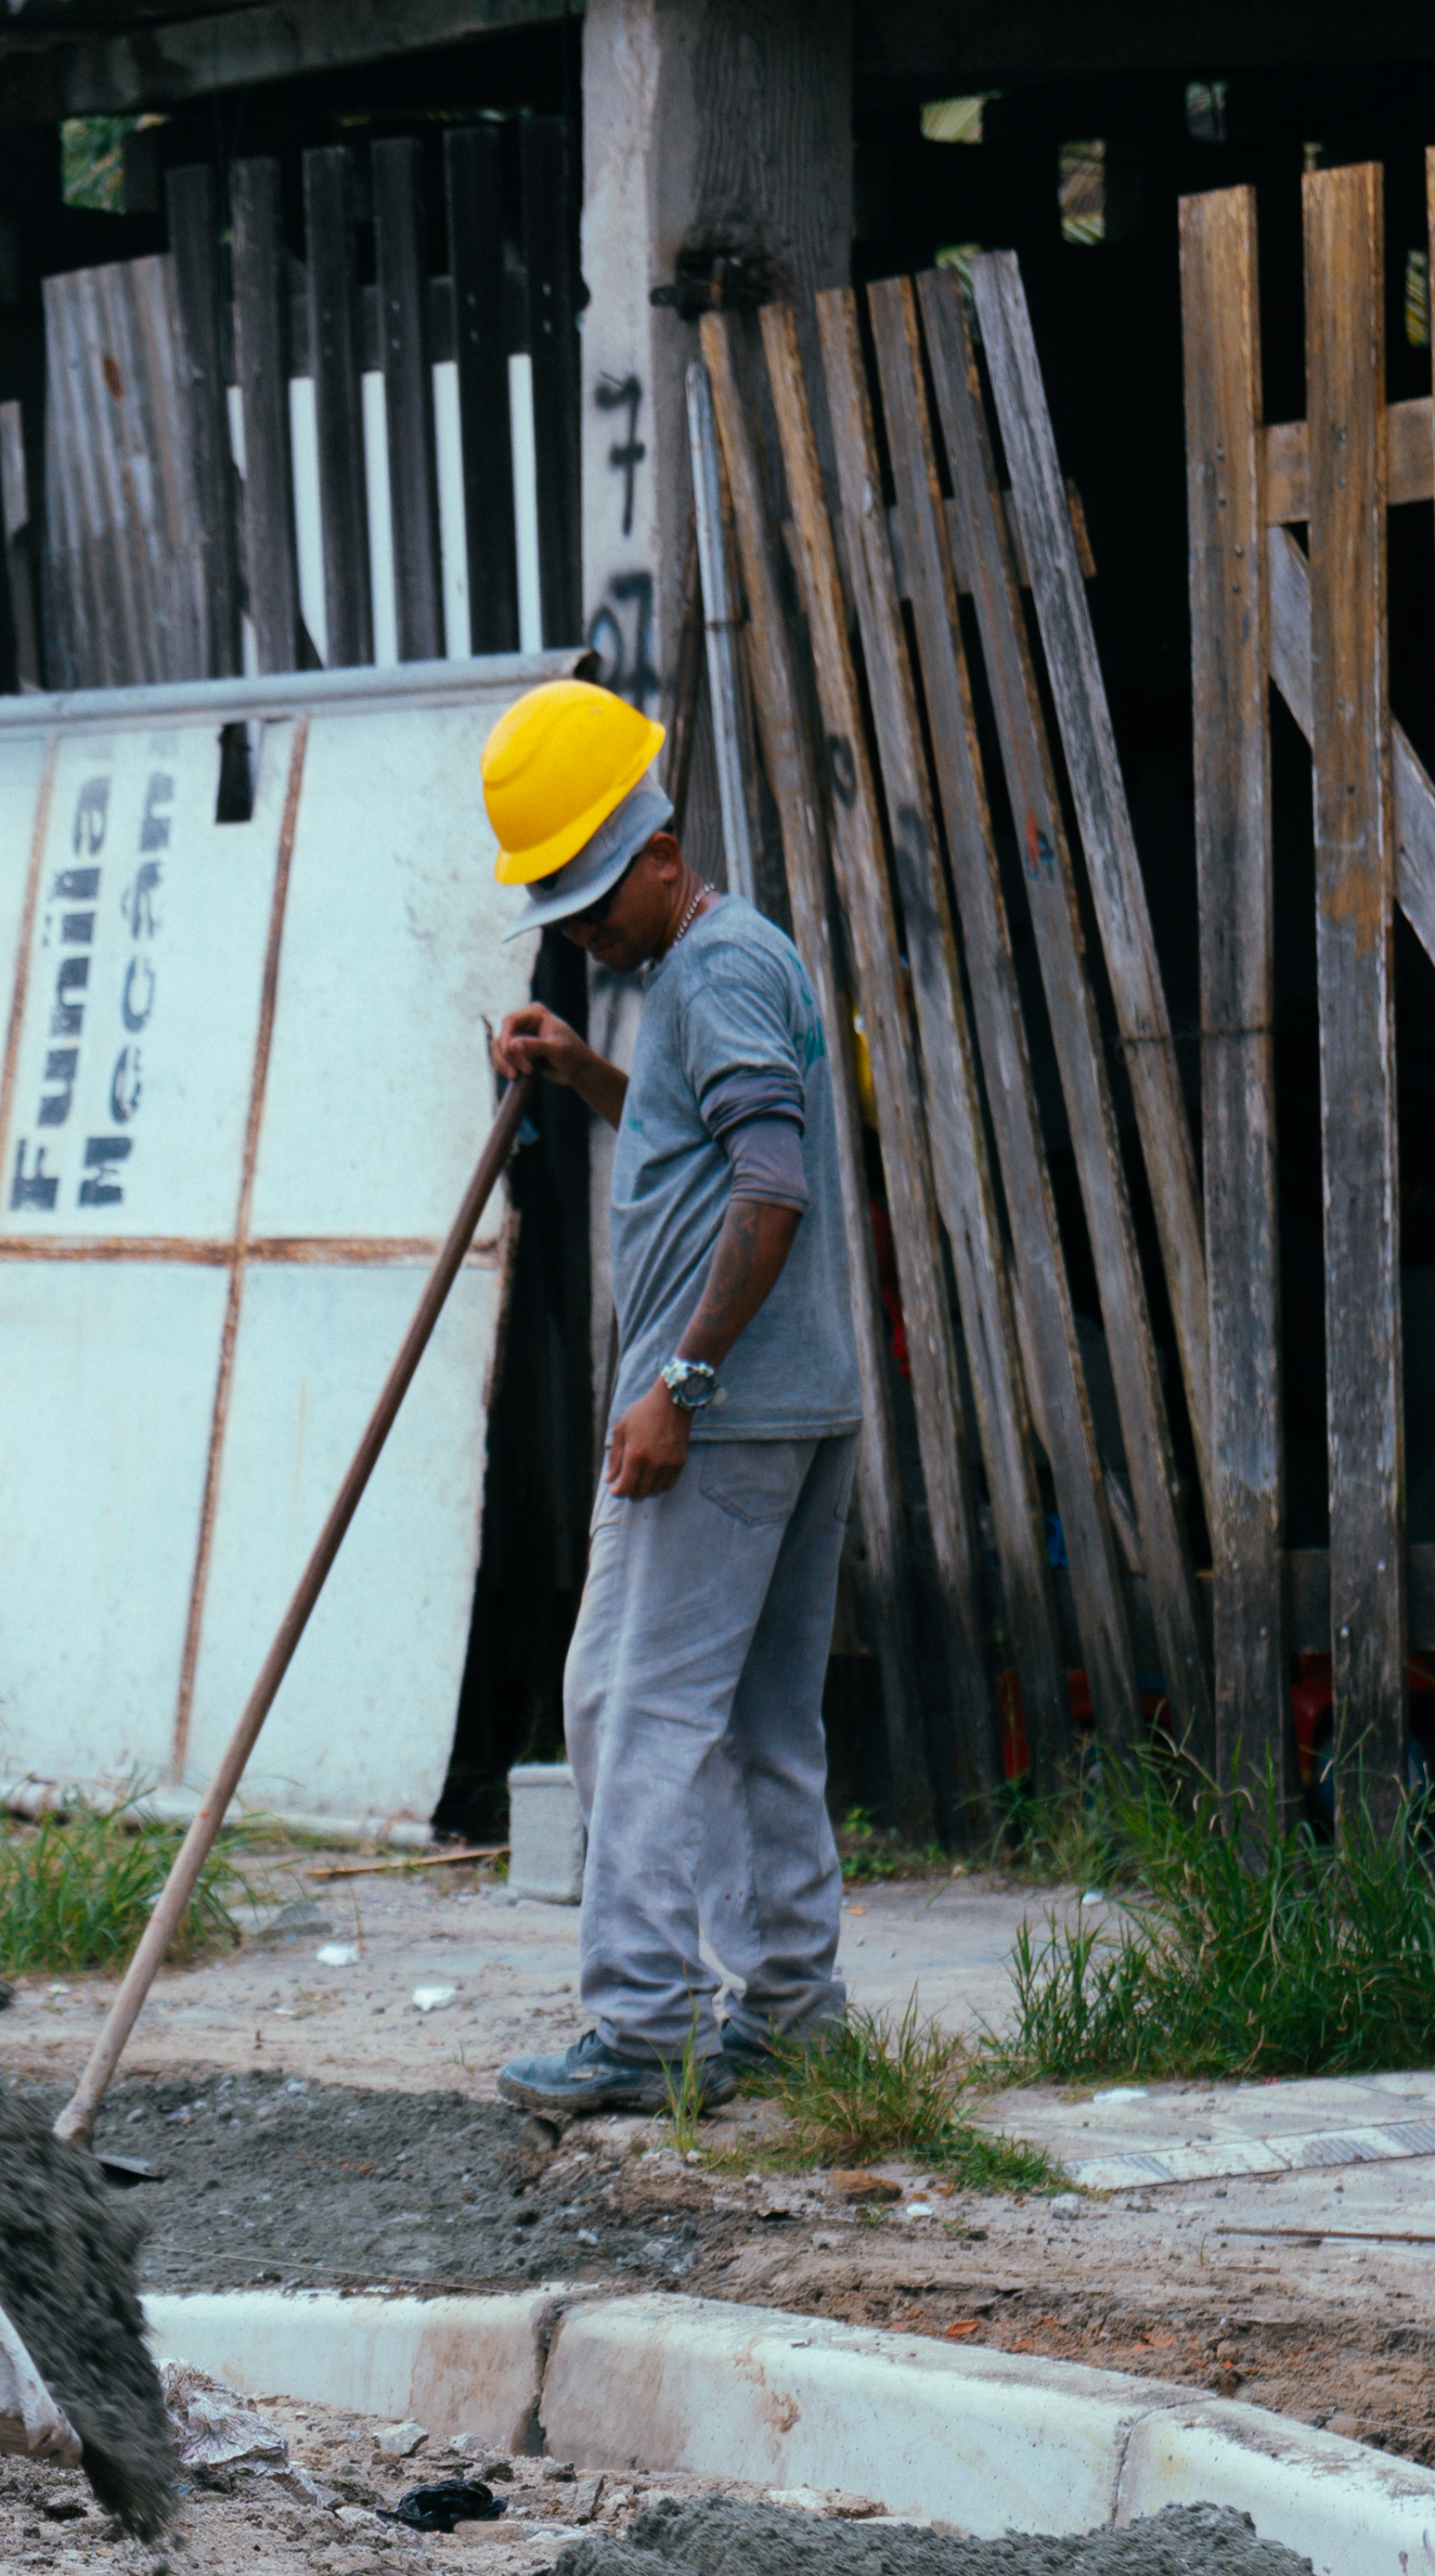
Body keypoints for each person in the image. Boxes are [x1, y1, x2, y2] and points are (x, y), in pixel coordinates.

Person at [480, 682, 866, 2115]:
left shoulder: (713, 972)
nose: (583, 936)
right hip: (796, 1404)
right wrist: (586, 1073)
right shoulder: (724, 967)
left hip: (727, 1415)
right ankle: (789, 2010)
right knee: (760, 1720)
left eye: (592, 905)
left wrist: (679, 1385)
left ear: (658, 848)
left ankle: (641, 2028)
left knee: (628, 1706)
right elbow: (715, 1142)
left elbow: (772, 1192)